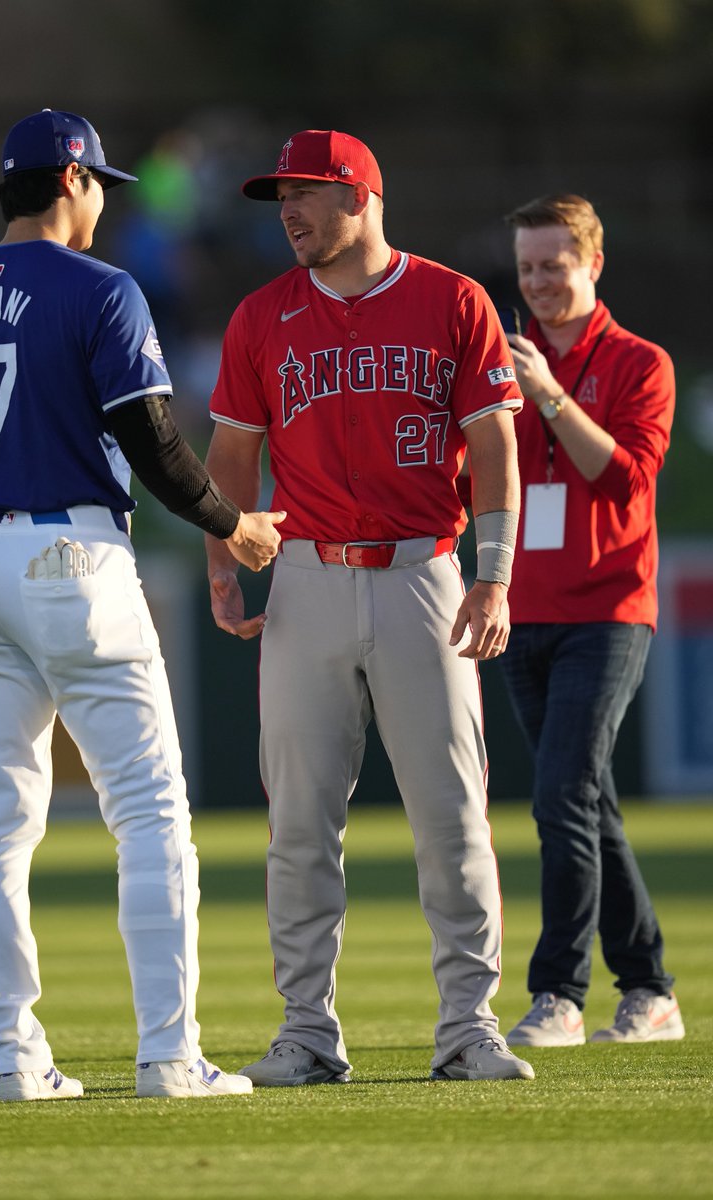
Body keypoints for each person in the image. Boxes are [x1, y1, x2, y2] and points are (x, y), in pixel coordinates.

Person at [0, 108, 286, 1102]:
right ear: (70, 181)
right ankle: (168, 1056)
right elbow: (155, 442)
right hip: (72, 557)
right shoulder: (100, 289)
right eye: (99, 181)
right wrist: (231, 524)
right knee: (150, 811)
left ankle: (16, 1060)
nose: (106, 198)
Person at [203, 128, 534, 1084]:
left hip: (424, 572)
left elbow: (497, 445)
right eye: (280, 198)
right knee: (300, 822)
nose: (289, 213)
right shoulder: (263, 315)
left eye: (306, 193)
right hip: (304, 575)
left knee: (451, 815)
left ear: (362, 197)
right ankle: (307, 1030)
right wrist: (225, 561)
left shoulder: (451, 298)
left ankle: (469, 1028)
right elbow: (231, 459)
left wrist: (496, 571)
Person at [495, 194, 682, 1047]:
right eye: (526, 267)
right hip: (522, 607)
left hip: (609, 609)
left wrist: (547, 396)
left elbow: (627, 483)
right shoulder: (504, 357)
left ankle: (559, 993)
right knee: (587, 802)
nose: (536, 282)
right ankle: (649, 987)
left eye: (553, 265)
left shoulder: (642, 362)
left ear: (594, 264)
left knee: (562, 793)